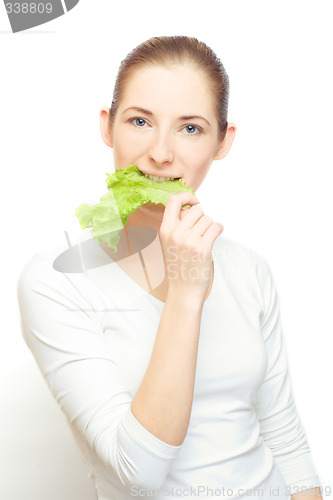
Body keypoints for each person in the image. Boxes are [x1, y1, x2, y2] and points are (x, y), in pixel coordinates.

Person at [17, 36, 322, 500]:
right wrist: (185, 295)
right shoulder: (57, 282)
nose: (160, 154)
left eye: (191, 128)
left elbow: (284, 436)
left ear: (224, 141)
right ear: (108, 127)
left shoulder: (249, 269)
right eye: (140, 121)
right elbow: (136, 472)